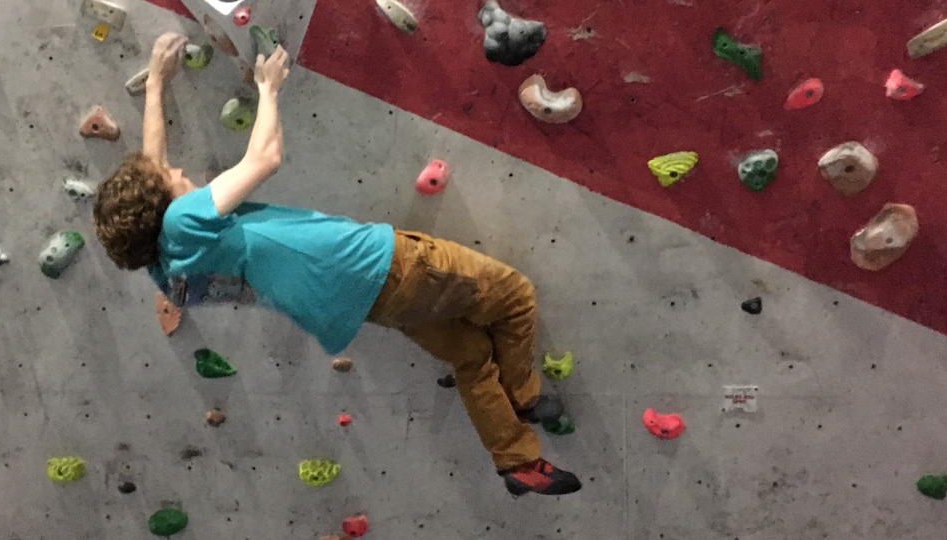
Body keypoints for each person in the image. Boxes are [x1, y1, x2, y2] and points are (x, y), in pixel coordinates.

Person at [93, 33, 581, 497]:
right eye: (170, 179)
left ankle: (517, 462)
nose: (178, 172)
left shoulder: (164, 263)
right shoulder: (182, 220)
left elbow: (152, 166)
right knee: (515, 296)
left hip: (364, 302)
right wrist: (268, 89)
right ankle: (525, 396)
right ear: (162, 207)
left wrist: (158, 82)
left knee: (472, 353)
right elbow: (264, 158)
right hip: (385, 265)